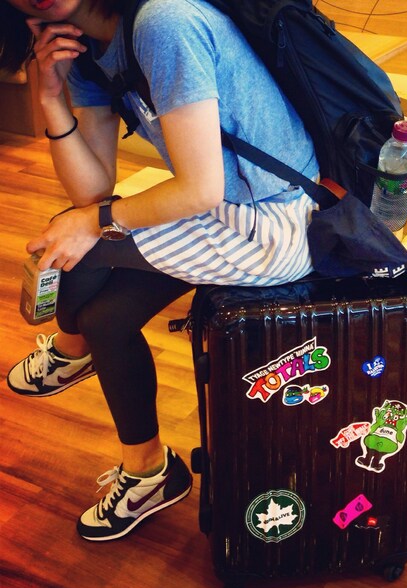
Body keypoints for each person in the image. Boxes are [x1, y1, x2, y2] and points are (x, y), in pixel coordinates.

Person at [1, 0, 319, 542]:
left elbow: (198, 189)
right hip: (221, 211)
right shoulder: (86, 51)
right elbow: (93, 191)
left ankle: (73, 351)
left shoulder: (163, 23)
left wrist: (92, 222)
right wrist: (51, 97)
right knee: (104, 316)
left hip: (276, 222)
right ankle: (149, 471)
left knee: (69, 259)